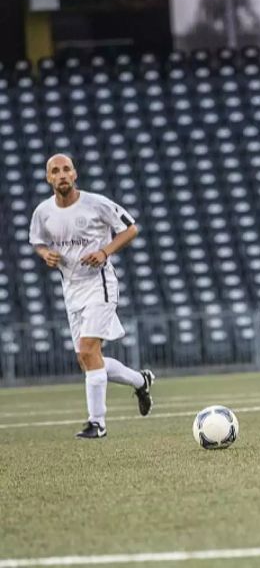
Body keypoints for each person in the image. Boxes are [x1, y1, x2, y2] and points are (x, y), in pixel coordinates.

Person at [29, 154, 154, 439]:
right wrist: (44, 254)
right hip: (71, 291)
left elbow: (131, 227)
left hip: (100, 285)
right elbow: (36, 241)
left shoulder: (96, 203)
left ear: (75, 174)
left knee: (88, 351)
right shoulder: (43, 212)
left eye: (66, 169)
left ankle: (97, 423)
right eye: (55, 171)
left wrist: (104, 252)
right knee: (88, 359)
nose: (61, 175)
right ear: (48, 178)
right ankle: (140, 380)